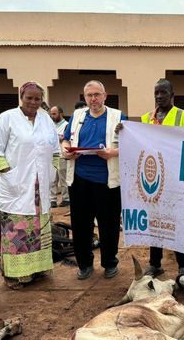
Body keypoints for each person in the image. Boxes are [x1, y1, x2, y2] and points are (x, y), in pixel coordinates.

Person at [0, 81, 60, 290]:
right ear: (21, 96)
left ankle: (37, 269)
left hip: (41, 185)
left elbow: (55, 150)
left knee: (38, 230)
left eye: (38, 99)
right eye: (29, 98)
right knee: (17, 232)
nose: (33, 102)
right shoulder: (7, 118)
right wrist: (9, 174)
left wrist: (53, 172)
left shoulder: (46, 120)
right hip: (16, 185)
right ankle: (15, 275)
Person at [62, 80, 126, 280]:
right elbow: (65, 139)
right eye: (89, 95)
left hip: (107, 181)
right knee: (81, 225)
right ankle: (85, 264)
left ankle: (109, 262)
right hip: (80, 180)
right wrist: (67, 151)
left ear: (105, 96)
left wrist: (112, 152)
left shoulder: (117, 116)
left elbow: (130, 144)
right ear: (84, 98)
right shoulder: (78, 116)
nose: (93, 99)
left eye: (97, 94)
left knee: (109, 224)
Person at [140, 79, 184, 277]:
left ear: (172, 95)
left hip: (177, 178)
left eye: (163, 92)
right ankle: (155, 263)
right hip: (154, 179)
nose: (159, 96)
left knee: (179, 221)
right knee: (155, 222)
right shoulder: (146, 118)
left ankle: (183, 264)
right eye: (156, 93)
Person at [49, 106, 70, 208]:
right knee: (52, 179)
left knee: (63, 179)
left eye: (54, 114)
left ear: (61, 113)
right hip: (51, 156)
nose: (52, 116)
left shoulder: (66, 125)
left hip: (62, 156)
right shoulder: (50, 125)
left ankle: (66, 199)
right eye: (51, 114)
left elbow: (65, 139)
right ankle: (52, 199)